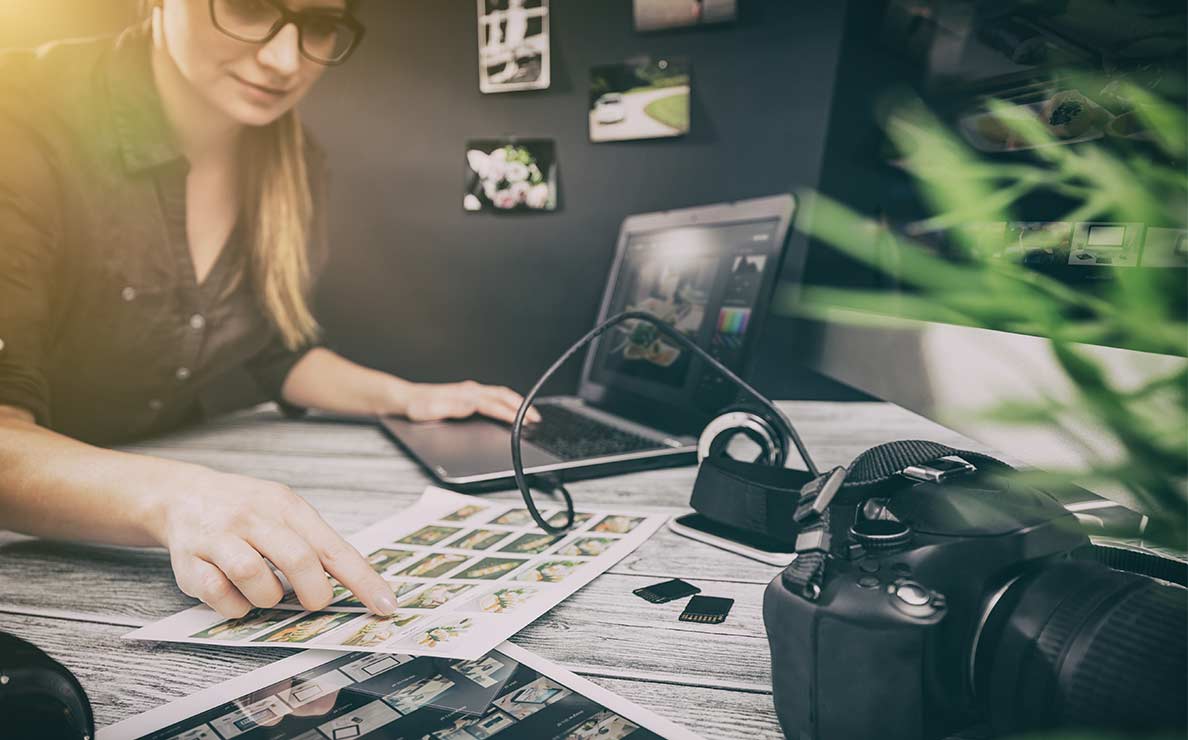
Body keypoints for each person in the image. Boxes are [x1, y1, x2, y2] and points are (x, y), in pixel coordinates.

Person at [0, 0, 539, 620]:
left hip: (130, 573)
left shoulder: (294, 160)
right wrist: (176, 497)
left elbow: (271, 350)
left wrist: (405, 396)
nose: (286, 60)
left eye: (317, 26)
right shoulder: (24, 115)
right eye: (250, 7)